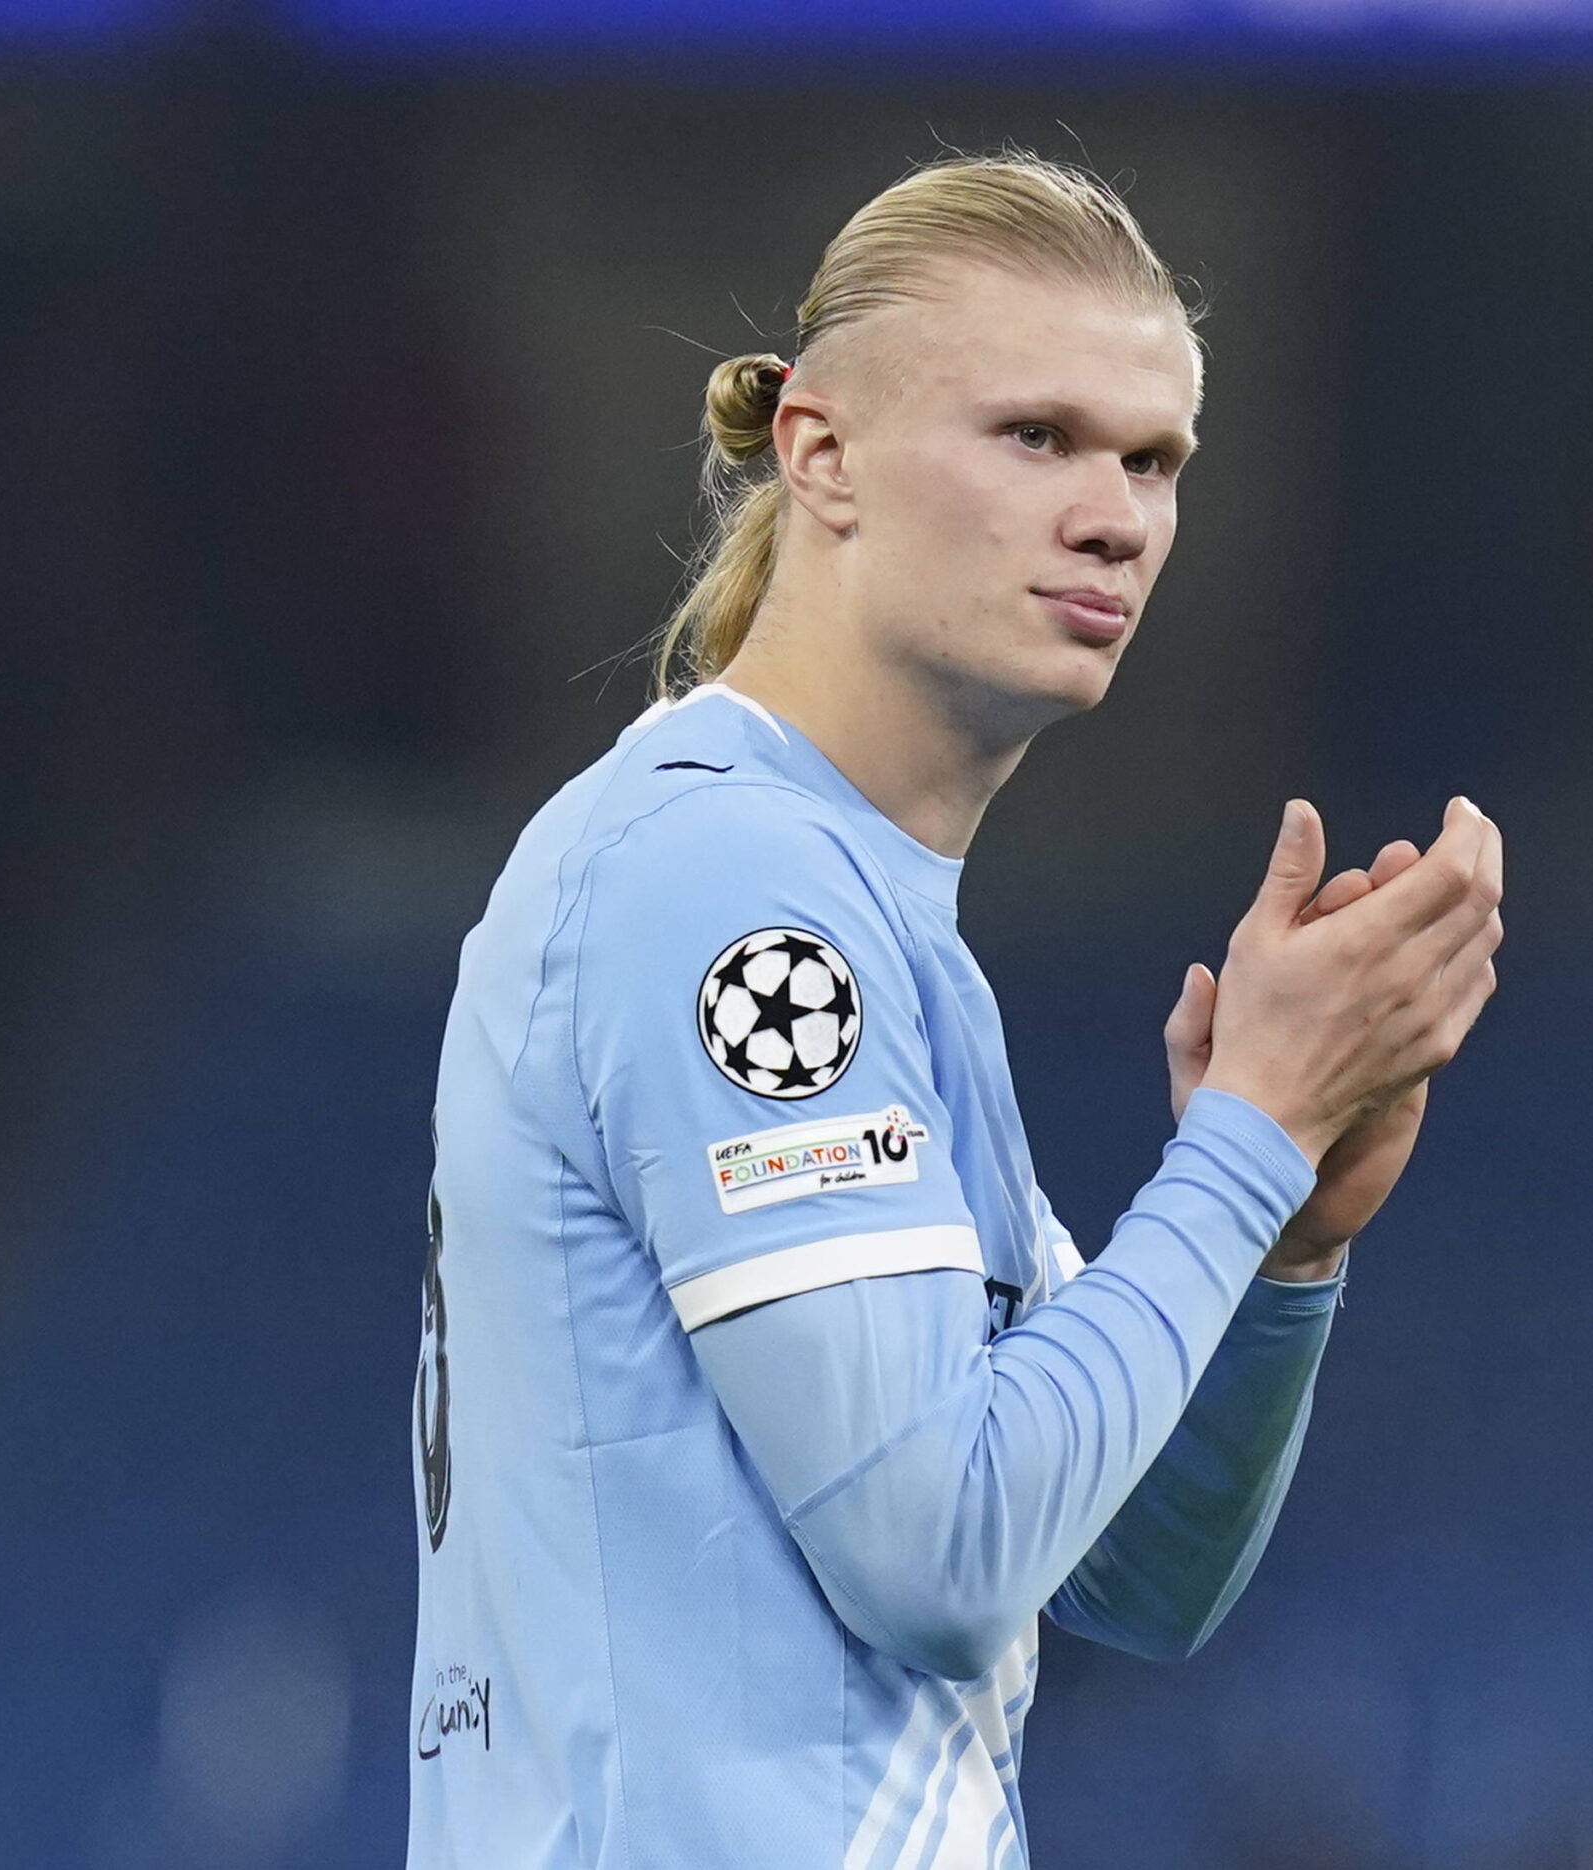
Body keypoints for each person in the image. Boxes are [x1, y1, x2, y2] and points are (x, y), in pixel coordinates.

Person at [407, 153, 1503, 1870]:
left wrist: (1281, 1240)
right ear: (820, 453)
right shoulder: (730, 882)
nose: (1115, 513)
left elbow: (1129, 1568)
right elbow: (936, 1555)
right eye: (1036, 435)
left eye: (1154, 460)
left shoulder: (869, 912)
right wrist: (1249, 1127)